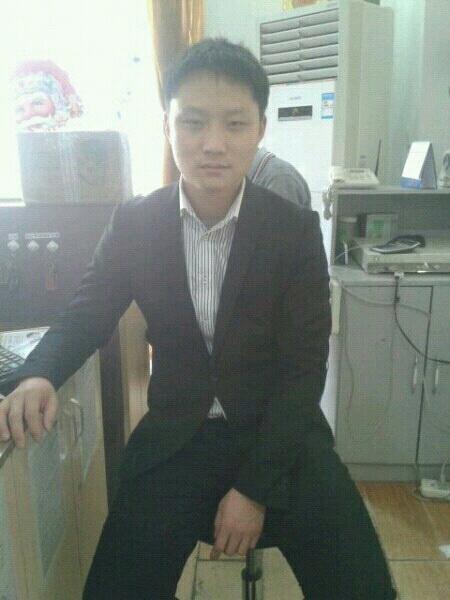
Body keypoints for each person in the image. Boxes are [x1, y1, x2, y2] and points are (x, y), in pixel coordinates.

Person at [0, 38, 396, 600]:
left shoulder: (292, 230)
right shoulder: (137, 224)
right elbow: (88, 311)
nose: (213, 144)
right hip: (177, 440)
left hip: (280, 435)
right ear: (167, 126)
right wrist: (38, 374)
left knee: (363, 585)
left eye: (234, 124)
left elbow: (305, 370)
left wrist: (253, 490)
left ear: (259, 129)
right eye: (193, 123)